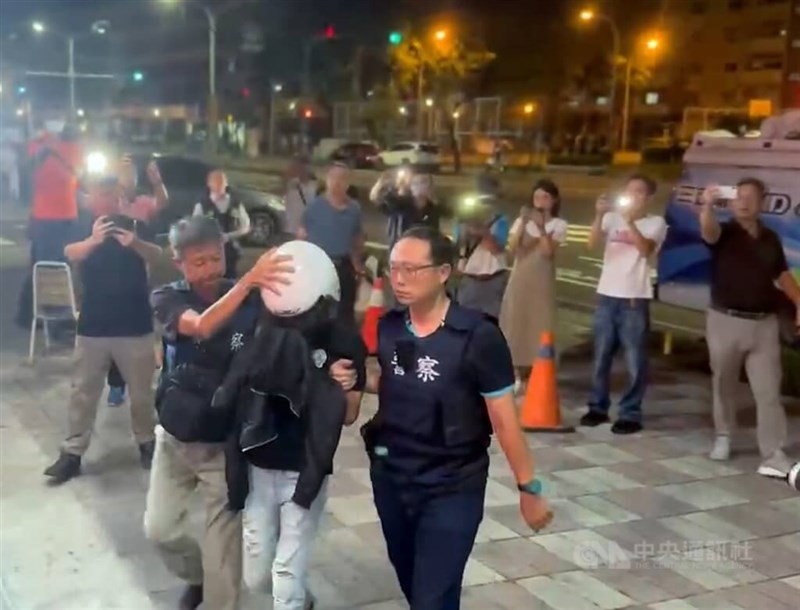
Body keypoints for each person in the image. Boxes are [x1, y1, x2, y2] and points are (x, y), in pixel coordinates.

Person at [361, 226, 552, 610]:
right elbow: (397, 383)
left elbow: (504, 420)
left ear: (444, 272)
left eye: (412, 269)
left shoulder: (478, 336)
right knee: (417, 586)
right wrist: (355, 379)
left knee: (431, 597)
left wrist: (529, 489)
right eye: (394, 267)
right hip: (393, 477)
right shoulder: (391, 327)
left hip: (452, 484)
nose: (398, 278)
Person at [145, 217, 293, 610]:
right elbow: (201, 326)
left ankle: (215, 593)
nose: (209, 269)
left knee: (223, 563)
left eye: (215, 258)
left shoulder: (253, 301)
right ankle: (195, 579)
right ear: (179, 263)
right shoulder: (167, 297)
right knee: (159, 530)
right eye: (197, 262)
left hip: (224, 448)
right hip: (175, 440)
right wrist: (249, 282)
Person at [214, 239, 368, 610]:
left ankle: (294, 598)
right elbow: (240, 384)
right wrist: (313, 373)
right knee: (258, 575)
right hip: (259, 467)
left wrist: (342, 387)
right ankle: (302, 599)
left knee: (285, 571)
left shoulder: (343, 339)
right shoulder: (259, 329)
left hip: (305, 470)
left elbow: (348, 414)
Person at [43, 173, 164, 484]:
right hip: (93, 326)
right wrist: (94, 240)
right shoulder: (84, 225)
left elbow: (160, 257)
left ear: (119, 196)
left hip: (135, 325)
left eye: (111, 194)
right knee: (82, 392)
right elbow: (69, 253)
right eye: (100, 194)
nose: (106, 200)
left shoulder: (135, 225)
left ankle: (147, 443)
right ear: (92, 197)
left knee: (141, 394)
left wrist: (135, 243)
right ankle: (72, 453)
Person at [699, 179, 800, 476]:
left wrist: (798, 301)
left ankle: (773, 452)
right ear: (730, 202)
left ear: (762, 202)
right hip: (724, 321)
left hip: (763, 324)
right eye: (738, 197)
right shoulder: (725, 232)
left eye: (751, 197)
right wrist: (706, 205)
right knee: (724, 383)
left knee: (768, 391)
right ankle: (724, 435)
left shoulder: (770, 238)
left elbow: (781, 274)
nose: (744, 202)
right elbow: (708, 230)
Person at [581, 174, 667, 435]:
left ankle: (630, 412)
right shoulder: (612, 219)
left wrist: (630, 221)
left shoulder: (656, 223)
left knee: (635, 360)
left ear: (649, 197)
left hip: (633, 299)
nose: (633, 196)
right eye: (629, 191)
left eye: (639, 192)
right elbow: (591, 243)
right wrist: (598, 215)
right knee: (601, 357)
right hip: (607, 296)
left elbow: (645, 250)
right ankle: (598, 407)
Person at [88, 156, 168, 407]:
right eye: (122, 173)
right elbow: (89, 202)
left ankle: (139, 383)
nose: (127, 178)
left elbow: (163, 202)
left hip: (137, 278)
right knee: (114, 332)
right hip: (112, 276)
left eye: (130, 174)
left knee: (137, 334)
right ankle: (116, 385)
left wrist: (157, 182)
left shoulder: (142, 203)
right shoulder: (111, 202)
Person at [499, 179, 568, 395]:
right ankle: (516, 373)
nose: (540, 201)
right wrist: (522, 221)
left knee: (540, 324)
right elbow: (512, 249)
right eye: (537, 197)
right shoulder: (522, 222)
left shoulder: (559, 224)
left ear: (554, 200)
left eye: (545, 197)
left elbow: (548, 252)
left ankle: (538, 373)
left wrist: (540, 226)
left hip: (542, 280)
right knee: (515, 323)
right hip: (520, 277)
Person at [15, 125, 83, 330]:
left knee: (53, 267)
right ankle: (50, 321)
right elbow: (28, 169)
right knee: (49, 269)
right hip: (47, 219)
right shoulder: (41, 145)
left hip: (64, 217)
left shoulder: (73, 148)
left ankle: (31, 316)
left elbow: (77, 178)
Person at [297, 162, 364, 326]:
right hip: (318, 267)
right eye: (333, 177)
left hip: (343, 267)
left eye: (342, 178)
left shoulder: (354, 209)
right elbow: (301, 238)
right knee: (317, 314)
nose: (337, 182)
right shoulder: (314, 208)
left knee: (344, 314)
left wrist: (358, 266)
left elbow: (357, 239)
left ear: (348, 183)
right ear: (326, 180)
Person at [453, 193, 510, 320]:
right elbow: (458, 247)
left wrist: (482, 231)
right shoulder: (463, 222)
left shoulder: (500, 221)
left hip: (494, 280)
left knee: (491, 323)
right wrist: (466, 229)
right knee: (465, 322)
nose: (485, 207)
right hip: (470, 280)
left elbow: (496, 249)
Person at [192, 169, 251, 279]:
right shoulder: (202, 205)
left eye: (222, 182)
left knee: (230, 283)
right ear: (209, 184)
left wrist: (229, 236)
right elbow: (195, 228)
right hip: (209, 254)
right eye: (216, 182)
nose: (219, 185)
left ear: (226, 183)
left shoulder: (235, 203)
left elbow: (246, 226)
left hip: (231, 252)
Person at [371, 170, 442, 251]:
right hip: (400, 252)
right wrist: (392, 183)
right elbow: (377, 198)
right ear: (410, 186)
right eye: (415, 183)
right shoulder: (400, 204)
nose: (420, 186)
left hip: (422, 254)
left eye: (424, 182)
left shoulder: (432, 208)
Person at [283, 155, 317, 235]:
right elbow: (280, 191)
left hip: (305, 229)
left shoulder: (315, 186)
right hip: (289, 228)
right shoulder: (291, 183)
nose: (301, 170)